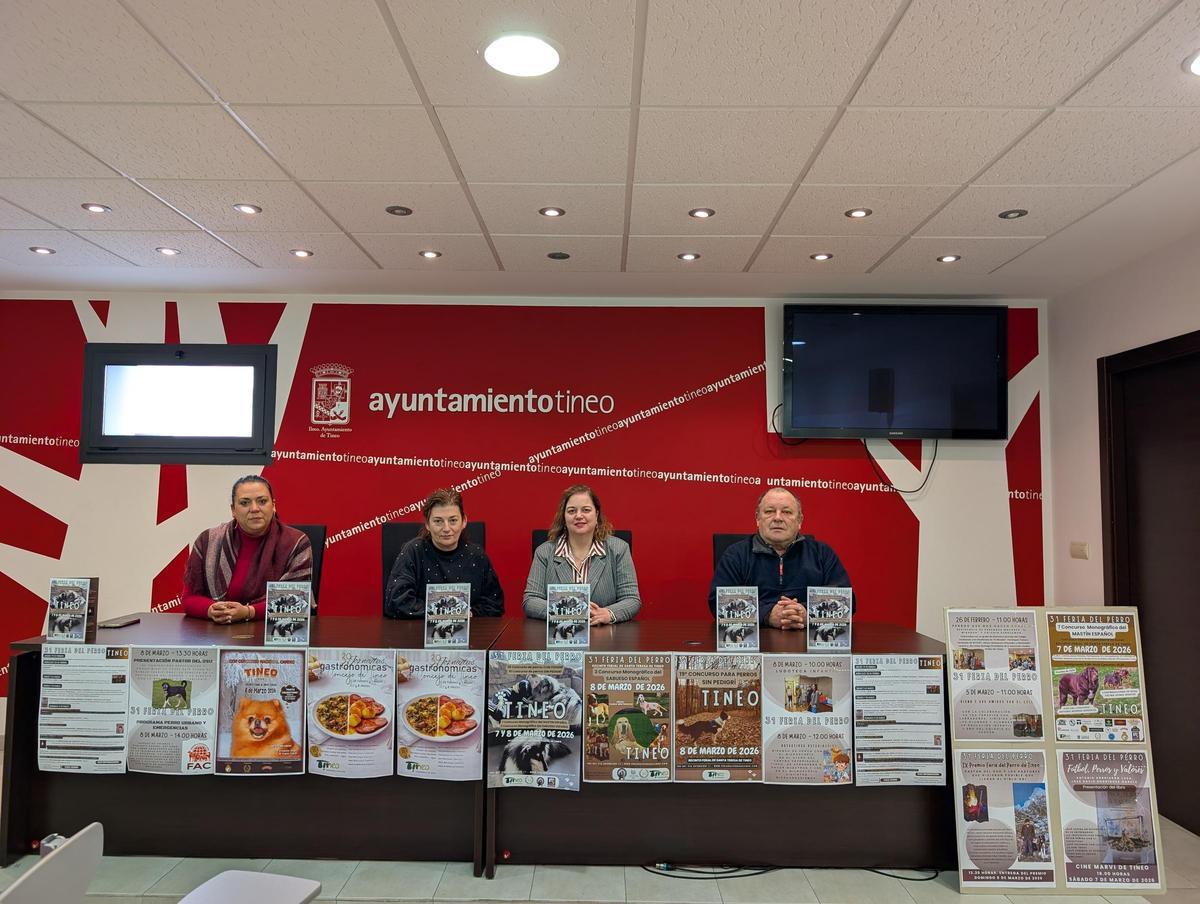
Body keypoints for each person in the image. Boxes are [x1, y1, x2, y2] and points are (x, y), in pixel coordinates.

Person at [708, 487, 851, 629]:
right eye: (769, 511)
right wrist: (767, 614)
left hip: (808, 639)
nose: (777, 518)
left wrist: (807, 612)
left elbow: (846, 601)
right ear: (757, 518)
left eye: (786, 512)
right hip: (756, 639)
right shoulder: (735, 555)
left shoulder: (822, 554)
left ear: (799, 520)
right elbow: (719, 603)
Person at [181, 475, 312, 624]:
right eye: (244, 503)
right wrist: (213, 610)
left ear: (273, 505)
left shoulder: (296, 543)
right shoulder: (208, 541)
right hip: (217, 631)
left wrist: (248, 612)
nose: (254, 509)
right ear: (233, 510)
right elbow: (189, 598)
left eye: (262, 501)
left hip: (269, 630)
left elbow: (295, 601)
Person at [524, 484, 640, 624]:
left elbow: (631, 599)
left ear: (596, 515)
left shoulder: (619, 549)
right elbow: (531, 601)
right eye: (572, 511)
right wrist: (568, 611)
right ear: (564, 517)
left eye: (586, 510)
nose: (579, 516)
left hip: (604, 633)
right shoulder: (544, 552)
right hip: (559, 632)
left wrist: (608, 613)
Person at [384, 488, 504, 618]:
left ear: (464, 521)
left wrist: (467, 614)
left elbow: (494, 604)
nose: (446, 528)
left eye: (453, 520)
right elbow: (396, 602)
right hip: (418, 629)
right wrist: (450, 613)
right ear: (427, 524)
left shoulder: (477, 556)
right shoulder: (413, 552)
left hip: (470, 629)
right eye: (438, 521)